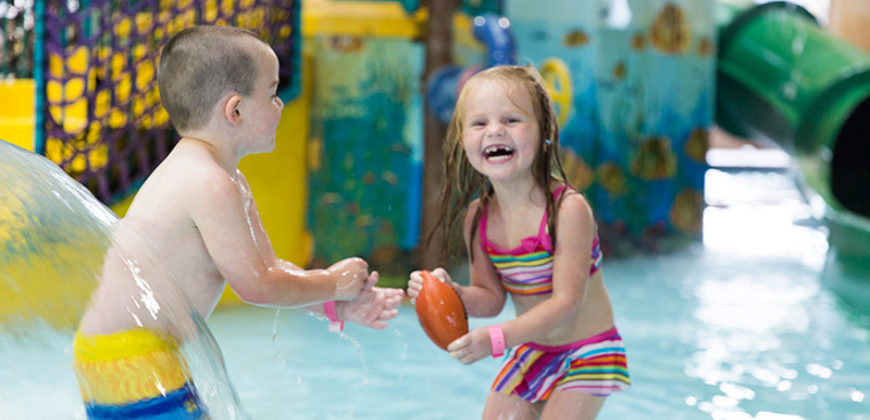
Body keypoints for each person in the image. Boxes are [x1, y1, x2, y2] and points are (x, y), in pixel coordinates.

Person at [73, 25, 404, 418]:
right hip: (133, 358)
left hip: (123, 353)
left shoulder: (223, 178)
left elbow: (271, 269)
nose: (280, 105)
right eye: (273, 93)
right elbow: (256, 285)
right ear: (235, 110)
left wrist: (335, 305)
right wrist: (333, 281)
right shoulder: (208, 183)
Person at [407, 65, 629, 419]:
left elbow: (566, 302)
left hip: (589, 351)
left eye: (511, 120)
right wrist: (451, 292)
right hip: (531, 352)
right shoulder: (477, 218)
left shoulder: (568, 210)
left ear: (545, 132)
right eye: (479, 124)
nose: (495, 130)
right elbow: (491, 298)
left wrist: (495, 340)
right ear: (463, 140)